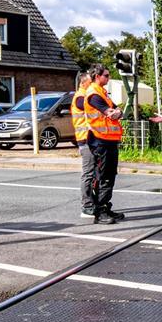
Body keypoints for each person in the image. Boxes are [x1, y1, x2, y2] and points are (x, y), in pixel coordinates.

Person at [83, 65, 125, 224]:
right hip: (99, 140)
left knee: (110, 175)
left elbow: (117, 111)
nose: (108, 78)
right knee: (103, 176)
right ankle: (99, 211)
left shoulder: (103, 93)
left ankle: (105, 207)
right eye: (106, 76)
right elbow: (111, 113)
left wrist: (116, 113)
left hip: (109, 140)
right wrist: (115, 113)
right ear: (97, 76)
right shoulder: (94, 95)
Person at [69, 71, 96, 218]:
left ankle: (92, 203)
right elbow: (89, 107)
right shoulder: (81, 97)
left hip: (92, 139)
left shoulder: (85, 95)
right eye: (90, 82)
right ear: (83, 83)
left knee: (93, 173)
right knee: (88, 173)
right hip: (85, 140)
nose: (92, 84)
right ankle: (86, 206)